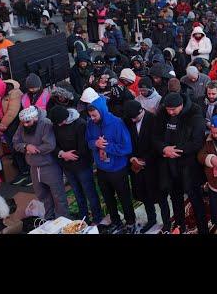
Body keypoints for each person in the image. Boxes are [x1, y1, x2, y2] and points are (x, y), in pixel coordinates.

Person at [153, 92, 208, 234]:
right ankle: (180, 226)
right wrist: (164, 149)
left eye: (174, 110)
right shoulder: (162, 113)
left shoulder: (195, 113)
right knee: (175, 198)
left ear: (181, 106)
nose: (171, 113)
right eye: (168, 110)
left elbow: (197, 142)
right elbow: (155, 136)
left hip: (189, 166)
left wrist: (176, 151)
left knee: (195, 198)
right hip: (169, 165)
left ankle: (203, 228)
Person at [85, 95, 137, 234]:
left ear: (101, 111)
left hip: (117, 169)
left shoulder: (117, 123)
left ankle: (131, 222)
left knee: (124, 197)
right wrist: (95, 143)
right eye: (90, 115)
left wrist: (107, 147)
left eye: (94, 115)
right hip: (102, 168)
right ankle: (116, 221)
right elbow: (88, 141)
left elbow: (127, 148)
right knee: (108, 198)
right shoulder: (91, 124)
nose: (92, 118)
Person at [49, 105, 103, 225]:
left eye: (60, 122)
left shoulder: (80, 124)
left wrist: (70, 156)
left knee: (90, 193)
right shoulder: (56, 125)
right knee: (78, 194)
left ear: (66, 118)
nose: (58, 125)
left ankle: (97, 217)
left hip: (82, 165)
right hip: (67, 165)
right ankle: (83, 218)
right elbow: (53, 144)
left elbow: (83, 148)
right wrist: (62, 154)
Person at [13, 106, 69, 219]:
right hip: (33, 167)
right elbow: (15, 142)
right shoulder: (23, 124)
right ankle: (49, 219)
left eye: (28, 122)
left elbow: (50, 145)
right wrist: (26, 146)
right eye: (23, 122)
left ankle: (63, 220)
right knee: (42, 195)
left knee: (58, 195)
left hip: (49, 166)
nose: (25, 125)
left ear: (35, 118)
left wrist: (34, 150)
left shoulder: (46, 124)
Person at [122, 100, 169, 233]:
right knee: (145, 195)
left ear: (141, 111)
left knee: (161, 198)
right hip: (136, 165)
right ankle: (152, 219)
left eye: (135, 118)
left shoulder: (154, 120)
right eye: (131, 118)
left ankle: (166, 224)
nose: (133, 120)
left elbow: (158, 144)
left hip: (154, 166)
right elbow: (126, 140)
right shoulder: (128, 120)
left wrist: (144, 160)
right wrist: (132, 158)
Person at [0, 75, 28, 186]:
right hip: (4, 126)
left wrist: (2, 125)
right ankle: (22, 171)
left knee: (19, 147)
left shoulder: (14, 92)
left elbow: (12, 112)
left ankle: (27, 172)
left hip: (15, 124)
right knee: (13, 148)